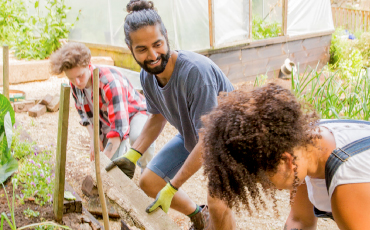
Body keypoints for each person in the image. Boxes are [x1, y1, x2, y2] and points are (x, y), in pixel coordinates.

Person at [105, 0, 236, 229]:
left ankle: (212, 217)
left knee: (218, 205)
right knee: (149, 182)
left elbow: (208, 141)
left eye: (157, 44)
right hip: (196, 135)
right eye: (142, 49)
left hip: (229, 142)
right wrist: (133, 155)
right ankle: (198, 215)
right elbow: (157, 116)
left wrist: (173, 187)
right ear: (131, 49)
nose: (153, 55)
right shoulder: (148, 75)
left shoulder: (196, 73)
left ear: (166, 36)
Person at [201, 83, 370, 229]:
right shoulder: (304, 147)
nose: (270, 188)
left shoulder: (347, 184)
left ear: (287, 161)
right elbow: (300, 221)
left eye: (265, 181)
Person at [49, 42, 154, 172]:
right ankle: (122, 155)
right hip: (110, 117)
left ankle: (148, 169)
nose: (77, 82)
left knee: (136, 138)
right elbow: (84, 116)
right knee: (108, 160)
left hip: (135, 113)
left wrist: (100, 168)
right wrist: (94, 139)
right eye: (71, 78)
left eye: (80, 76)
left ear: (88, 65)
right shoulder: (75, 85)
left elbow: (119, 128)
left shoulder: (110, 83)